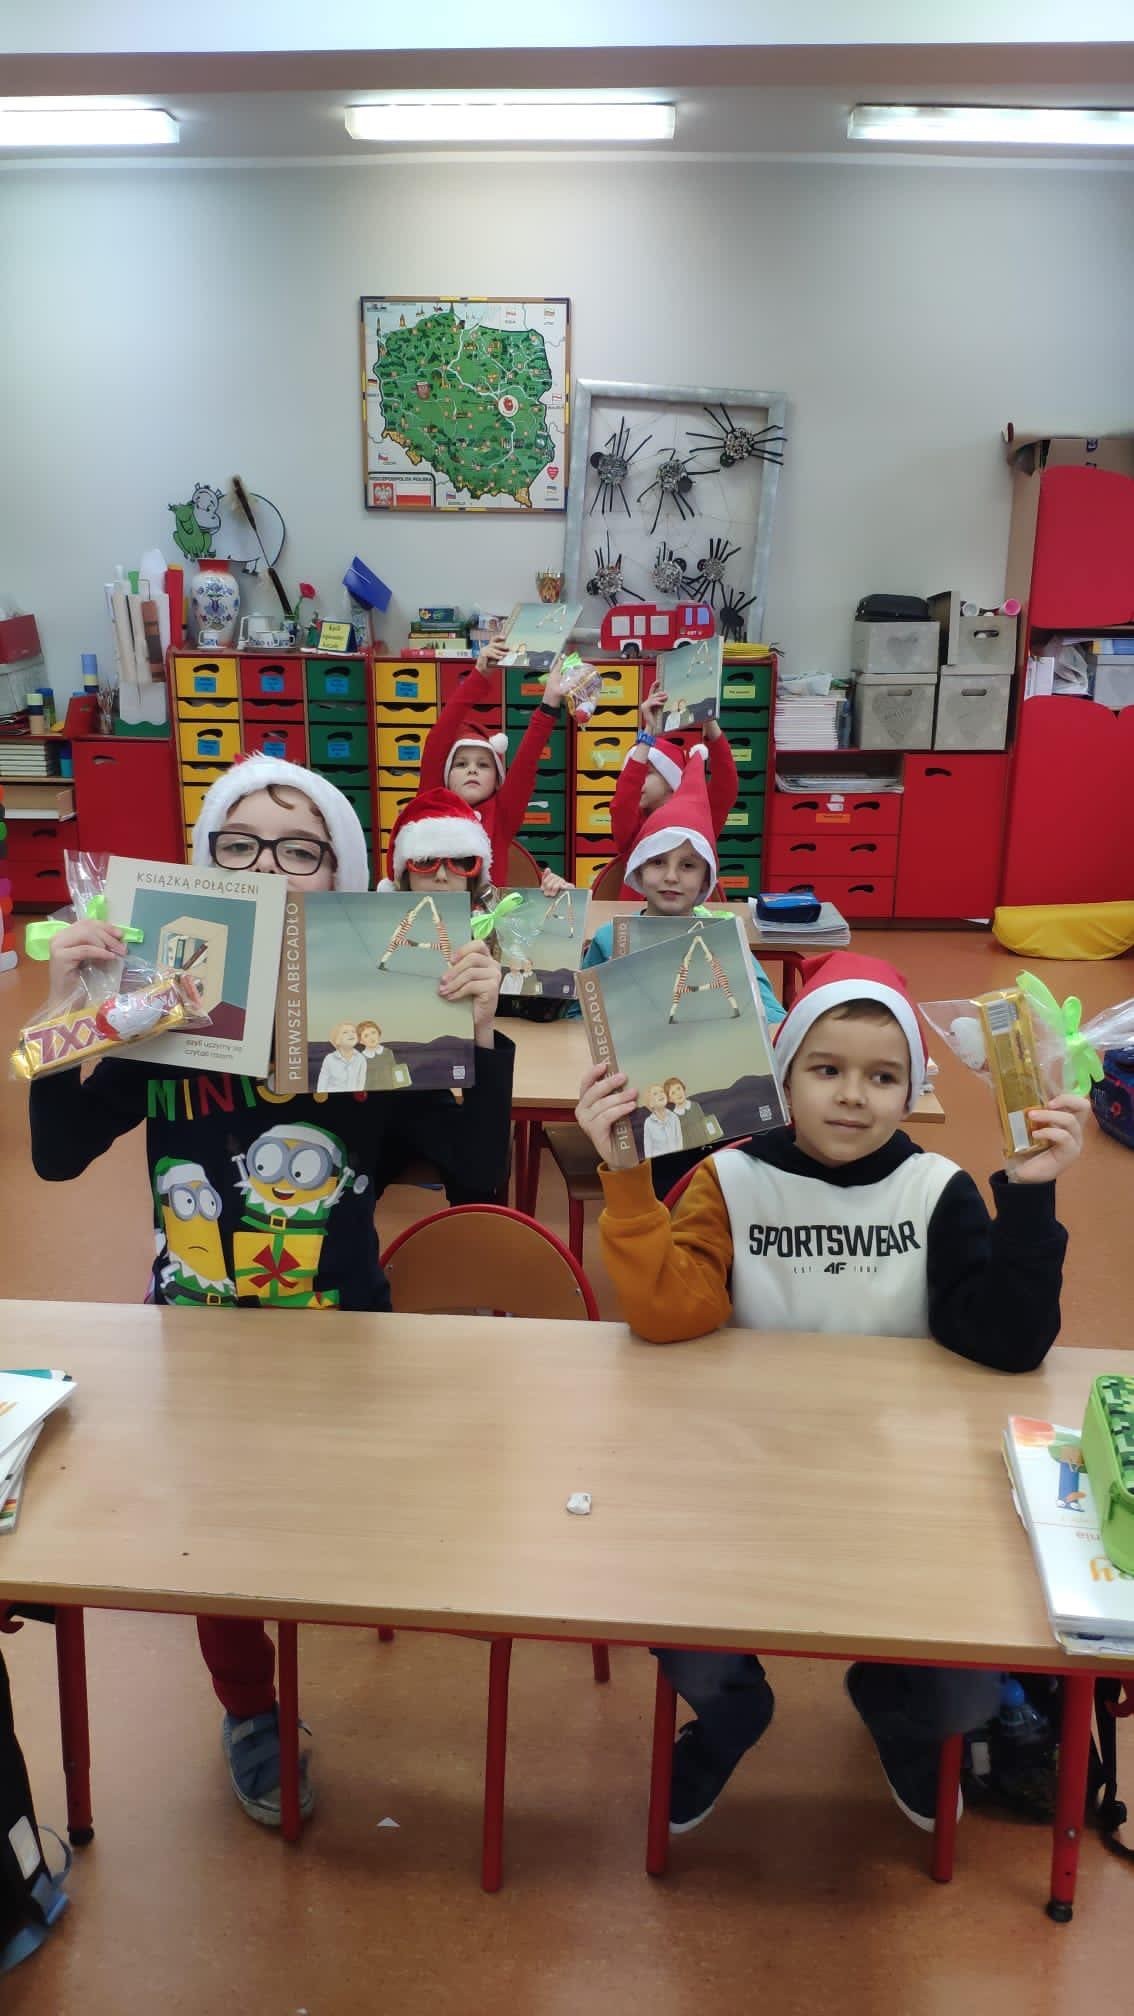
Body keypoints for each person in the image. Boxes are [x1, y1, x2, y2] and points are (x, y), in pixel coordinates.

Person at [26, 753, 514, 1828]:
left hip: (343, 1330)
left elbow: (481, 1180)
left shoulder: (378, 1016)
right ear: (206, 867)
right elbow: (58, 1158)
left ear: (340, 878)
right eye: (239, 845)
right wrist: (68, 1016)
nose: (268, 868)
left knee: (347, 1523)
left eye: (301, 849)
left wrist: (478, 1036)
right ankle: (250, 1707)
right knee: (218, 1539)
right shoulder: (168, 1012)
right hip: (195, 1333)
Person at [575, 949, 1088, 1837]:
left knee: (965, 1686)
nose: (853, 1096)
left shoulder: (936, 1190)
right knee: (678, 1617)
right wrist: (627, 1176)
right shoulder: (730, 1179)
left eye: (882, 1077)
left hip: (899, 1491)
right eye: (826, 1070)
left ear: (911, 1090)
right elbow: (666, 1314)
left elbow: (1009, 1346)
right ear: (783, 1078)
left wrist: (1031, 1200)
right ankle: (733, 1715)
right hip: (745, 1478)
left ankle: (896, 1706)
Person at [575, 743, 783, 1034]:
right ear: (638, 870)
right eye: (658, 862)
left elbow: (773, 1017)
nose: (671, 877)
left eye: (687, 866)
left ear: (705, 879)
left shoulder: (725, 940)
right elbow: (577, 1013)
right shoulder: (608, 939)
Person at [418, 636, 567, 886]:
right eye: (461, 764)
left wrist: (550, 702)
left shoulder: (501, 815)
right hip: (432, 908)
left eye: (483, 765)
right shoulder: (432, 803)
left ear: (497, 780)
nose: (472, 770)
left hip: (487, 911)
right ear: (445, 776)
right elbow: (438, 738)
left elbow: (526, 763)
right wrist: (479, 675)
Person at [608, 681, 738, 898]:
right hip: (637, 915)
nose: (637, 781)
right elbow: (622, 803)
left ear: (671, 780)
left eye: (646, 773)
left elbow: (726, 786)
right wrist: (648, 731)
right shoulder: (633, 831)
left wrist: (708, 719)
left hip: (687, 917)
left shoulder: (698, 820)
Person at [315, 1020, 366, 1093]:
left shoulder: (361, 1058)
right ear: (337, 1039)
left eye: (353, 1031)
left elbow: (361, 1082)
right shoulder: (329, 1058)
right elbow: (323, 1082)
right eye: (345, 1032)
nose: (351, 1034)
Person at [357, 1019, 403, 1092]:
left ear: (378, 1033)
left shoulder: (388, 1052)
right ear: (361, 1041)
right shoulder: (360, 1058)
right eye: (366, 1036)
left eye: (373, 1032)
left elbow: (395, 1073)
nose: (371, 1037)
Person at [641, 1084, 682, 1159]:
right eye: (655, 1094)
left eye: (662, 1091)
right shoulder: (648, 1122)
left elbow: (679, 1140)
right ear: (651, 1103)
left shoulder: (674, 1117)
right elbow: (648, 1147)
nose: (660, 1094)